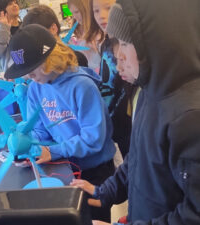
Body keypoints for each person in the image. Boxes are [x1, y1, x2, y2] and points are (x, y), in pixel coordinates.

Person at [72, 1, 200, 224]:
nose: (118, 55)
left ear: (159, 43)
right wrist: (107, 191)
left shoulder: (190, 118)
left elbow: (194, 214)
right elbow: (139, 157)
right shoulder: (150, 93)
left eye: (124, 43)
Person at [4, 24, 116, 222]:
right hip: (63, 169)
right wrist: (29, 145)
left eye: (31, 69)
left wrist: (52, 151)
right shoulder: (35, 89)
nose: (28, 76)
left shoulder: (82, 87)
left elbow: (94, 140)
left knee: (93, 220)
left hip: (94, 172)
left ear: (50, 58)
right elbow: (39, 131)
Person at [85, 0, 132, 157]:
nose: (102, 16)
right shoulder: (106, 43)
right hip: (111, 120)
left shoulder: (132, 46)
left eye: (108, 8)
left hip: (130, 124)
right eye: (96, 11)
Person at [22, 4, 88, 67]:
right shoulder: (40, 66)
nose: (36, 43)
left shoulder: (76, 60)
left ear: (53, 28)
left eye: (38, 35)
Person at [0, 0, 21, 72]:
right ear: (2, 11)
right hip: (14, 72)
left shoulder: (25, 25)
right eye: (10, 4)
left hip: (30, 67)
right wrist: (4, 27)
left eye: (15, 3)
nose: (15, 5)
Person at [67, 0, 101, 72]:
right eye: (72, 13)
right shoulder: (79, 28)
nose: (74, 17)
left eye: (76, 12)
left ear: (87, 9)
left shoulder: (100, 31)